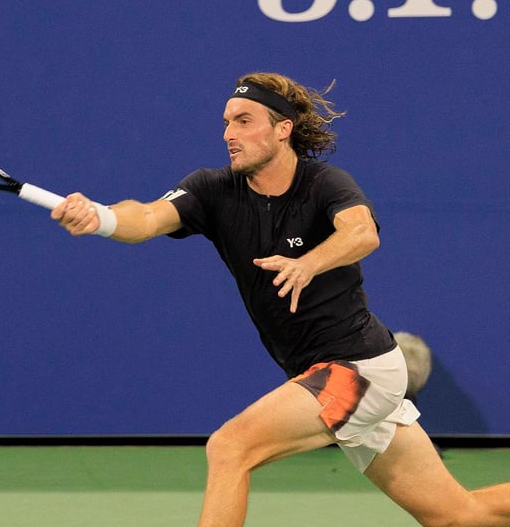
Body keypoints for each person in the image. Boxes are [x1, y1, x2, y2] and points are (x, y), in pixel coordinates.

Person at [50, 72, 510, 527]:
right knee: (458, 515)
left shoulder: (324, 183)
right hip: (329, 373)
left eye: (245, 121)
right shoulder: (212, 189)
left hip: (359, 368)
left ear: (282, 128)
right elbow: (148, 217)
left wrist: (308, 263)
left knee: (230, 447)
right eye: (227, 122)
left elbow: (361, 231)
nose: (230, 134)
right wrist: (102, 217)